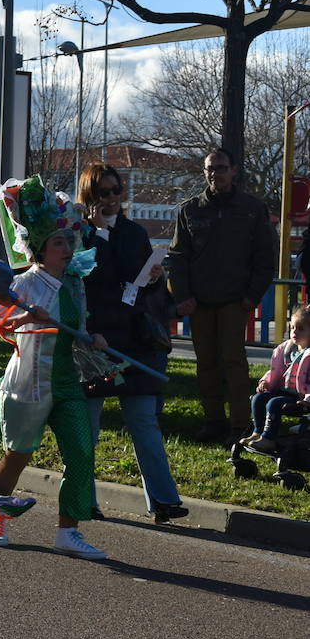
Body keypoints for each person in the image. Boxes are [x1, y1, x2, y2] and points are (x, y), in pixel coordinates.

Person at [0, 175, 114, 559]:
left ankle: (68, 531)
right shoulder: (23, 286)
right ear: (39, 248)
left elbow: (78, 331)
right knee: (18, 454)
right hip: (28, 384)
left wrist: (92, 339)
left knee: (82, 452)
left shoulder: (75, 285)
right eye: (57, 242)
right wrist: (15, 322)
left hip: (66, 383)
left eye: (68, 241)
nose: (66, 247)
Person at [78, 163, 187, 523]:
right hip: (92, 338)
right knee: (87, 428)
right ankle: (83, 497)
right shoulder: (78, 234)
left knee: (144, 422)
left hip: (132, 337)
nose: (112, 198)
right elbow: (94, 277)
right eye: (103, 192)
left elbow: (138, 285)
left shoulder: (135, 232)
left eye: (116, 190)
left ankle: (164, 500)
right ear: (89, 197)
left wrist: (155, 277)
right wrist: (99, 234)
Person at [168, 148, 278, 443]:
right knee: (206, 364)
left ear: (234, 170)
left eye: (220, 167)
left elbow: (265, 258)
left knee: (234, 362)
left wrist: (252, 296)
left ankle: (241, 424)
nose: (215, 173)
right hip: (199, 302)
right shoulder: (190, 209)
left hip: (234, 300)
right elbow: (177, 257)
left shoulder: (252, 209)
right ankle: (213, 421)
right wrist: (183, 296)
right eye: (210, 169)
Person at [245, 305, 310, 453]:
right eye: (292, 327)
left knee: (274, 403)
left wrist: (308, 399)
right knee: (258, 398)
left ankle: (269, 439)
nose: (294, 331)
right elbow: (276, 371)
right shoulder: (288, 350)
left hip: (301, 397)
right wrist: (265, 381)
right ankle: (258, 432)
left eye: (300, 329)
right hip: (283, 391)